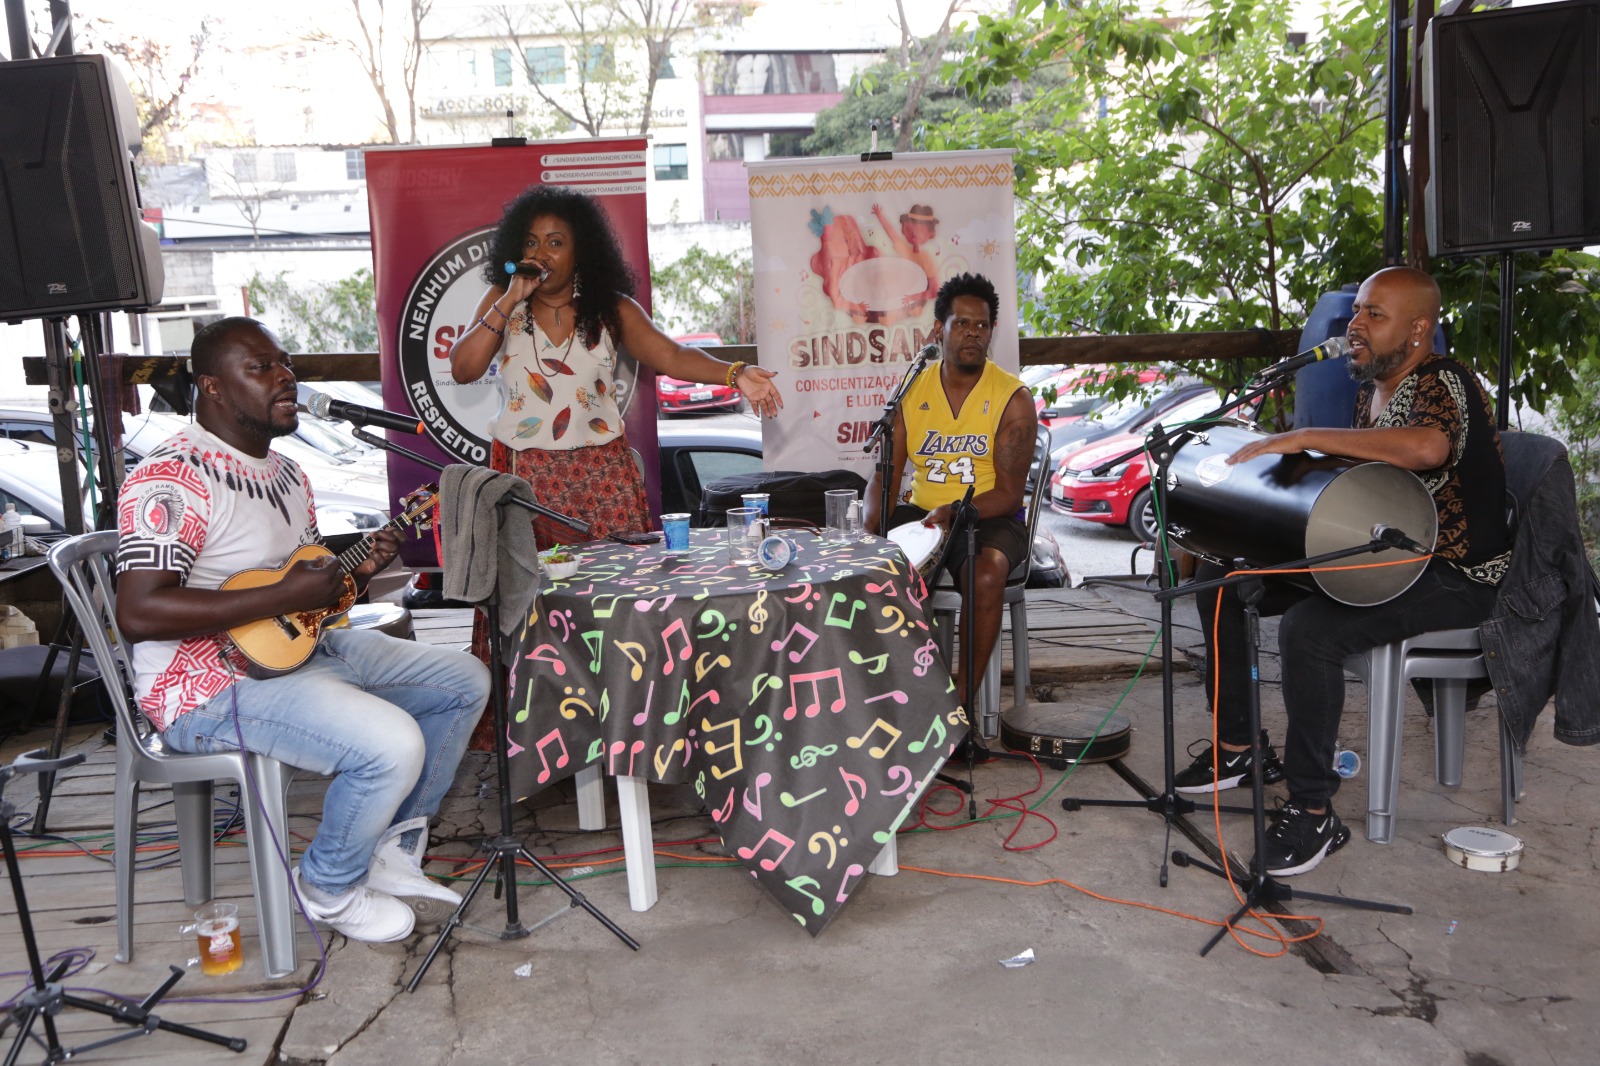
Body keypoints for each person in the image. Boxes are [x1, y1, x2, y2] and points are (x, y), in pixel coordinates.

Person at [115, 318, 491, 942]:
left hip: (300, 651)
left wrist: (355, 573)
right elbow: (139, 612)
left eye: (284, 363)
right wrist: (287, 593)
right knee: (390, 743)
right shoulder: (172, 478)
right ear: (211, 387)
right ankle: (328, 885)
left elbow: (307, 599)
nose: (284, 377)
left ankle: (390, 852)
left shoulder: (288, 473)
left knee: (462, 678)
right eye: (260, 368)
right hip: (203, 686)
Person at [1173, 266, 1511, 877]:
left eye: (1374, 316)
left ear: (1418, 329)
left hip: (1456, 574)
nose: (1355, 325)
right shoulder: (1370, 390)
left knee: (1310, 630)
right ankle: (1239, 750)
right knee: (1226, 584)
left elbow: (1429, 448)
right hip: (1383, 555)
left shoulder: (1446, 381)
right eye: (1357, 311)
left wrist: (1306, 435)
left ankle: (1312, 808)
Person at [449, 183, 783, 550]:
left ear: (581, 252)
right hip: (524, 475)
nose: (541, 253)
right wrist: (512, 296)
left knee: (612, 590)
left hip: (601, 474)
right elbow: (464, 368)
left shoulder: (611, 309)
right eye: (531, 243)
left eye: (555, 243)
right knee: (529, 596)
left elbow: (671, 356)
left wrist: (735, 373)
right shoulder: (502, 300)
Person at [864, 272, 1037, 703]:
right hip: (924, 514)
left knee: (985, 572)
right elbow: (886, 474)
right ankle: (896, 697)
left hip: (989, 514)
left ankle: (958, 709)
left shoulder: (1013, 398)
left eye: (981, 325)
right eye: (961, 323)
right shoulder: (913, 390)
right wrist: (870, 527)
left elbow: (1011, 494)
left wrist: (959, 512)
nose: (972, 334)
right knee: (872, 569)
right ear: (938, 329)